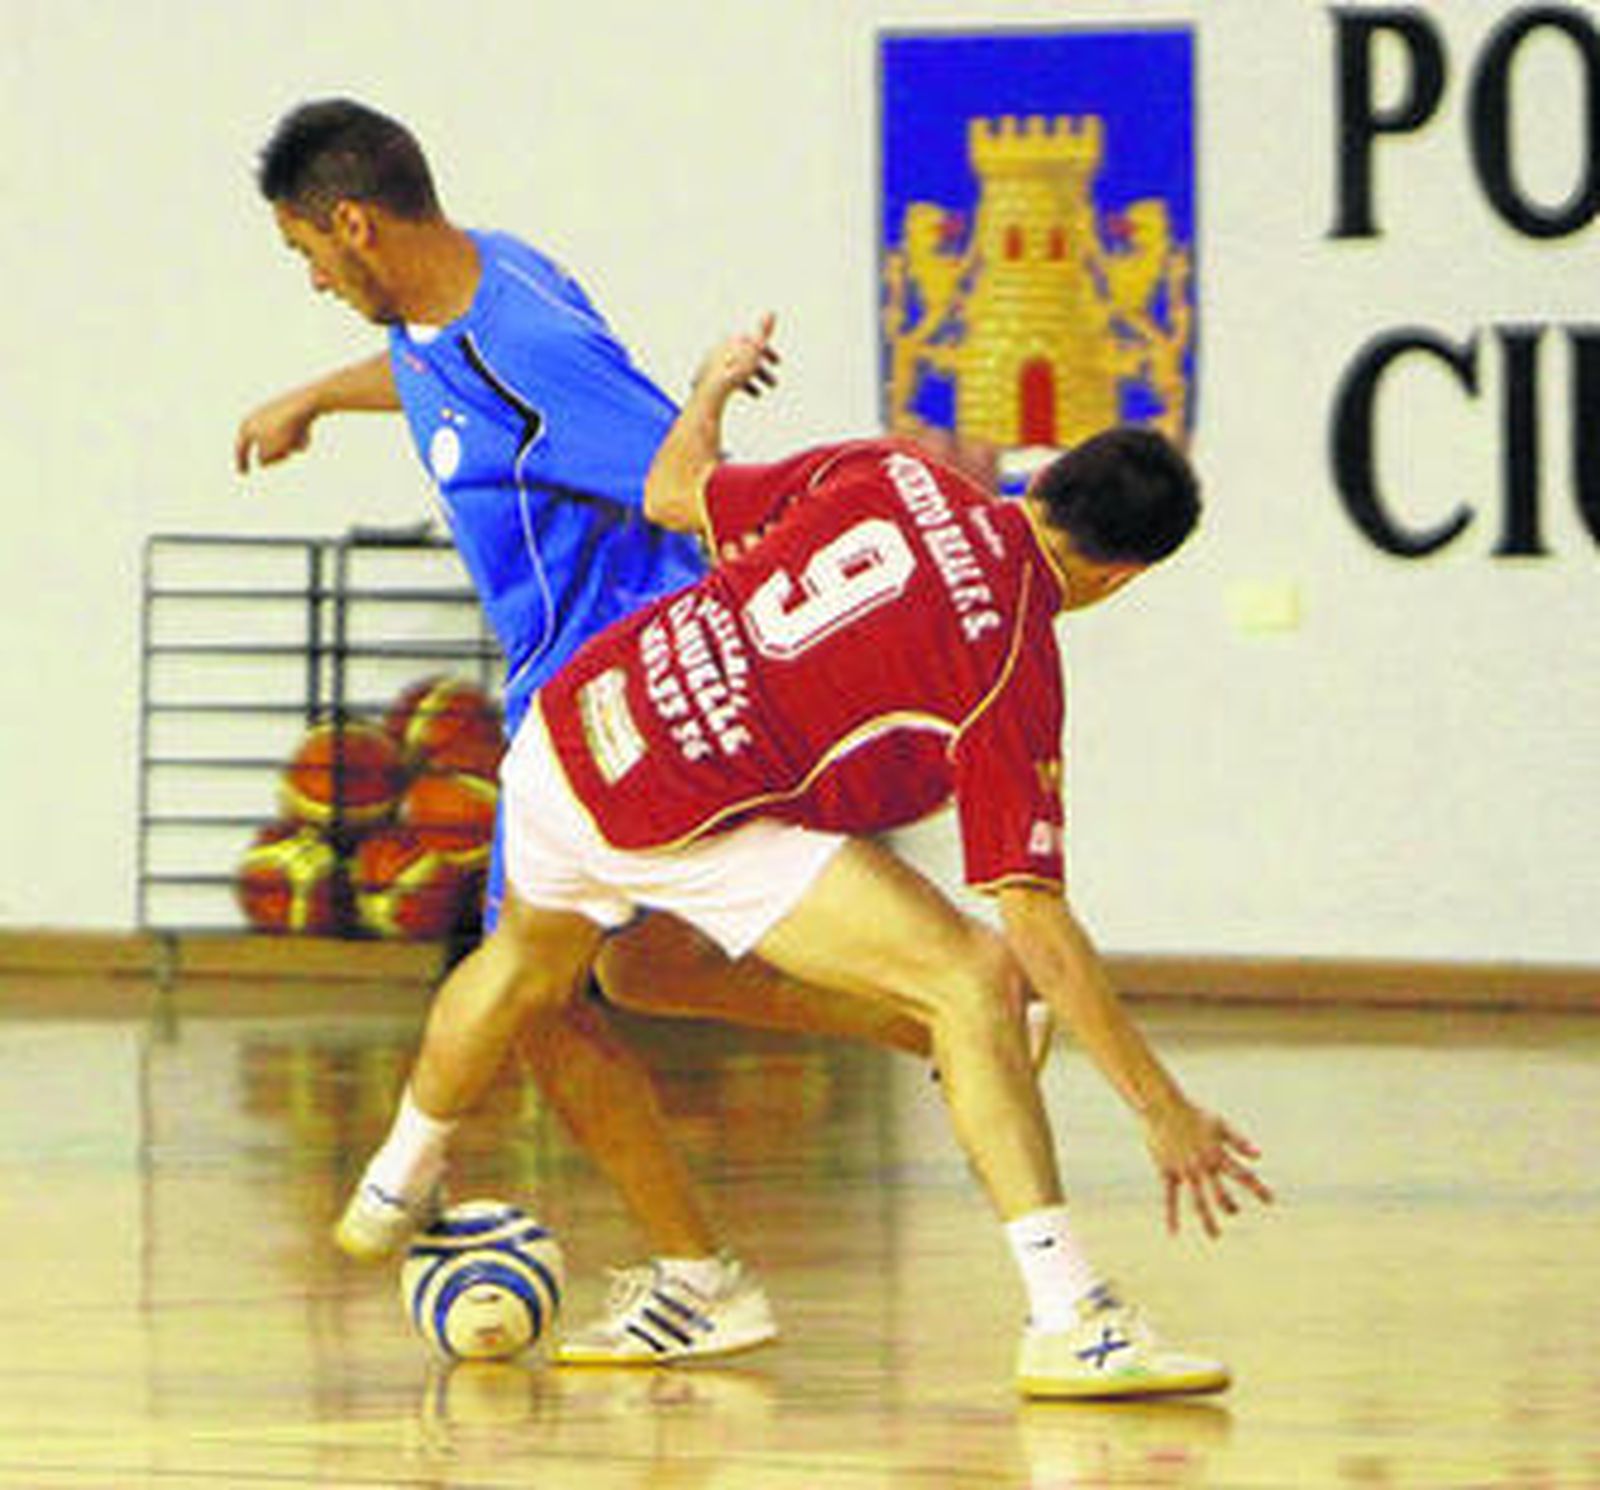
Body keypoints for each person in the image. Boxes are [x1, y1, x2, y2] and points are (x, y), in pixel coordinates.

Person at [335, 315, 1274, 1399]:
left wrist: (711, 389)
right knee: (976, 977)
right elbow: (1038, 921)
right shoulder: (1013, 656)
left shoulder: (888, 473)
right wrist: (1159, 1103)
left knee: (598, 970)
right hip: (670, 807)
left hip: (575, 721)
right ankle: (1072, 1316)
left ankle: (401, 1178)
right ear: (1120, 575)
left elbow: (675, 491)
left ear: (1046, 479)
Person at [234, 99, 973, 1353]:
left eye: (306, 248)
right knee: (638, 968)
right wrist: (314, 395)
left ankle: (437, 1194)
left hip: (611, 705)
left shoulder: (519, 345)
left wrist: (716, 413)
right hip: (586, 692)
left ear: (354, 223)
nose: (308, 275)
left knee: (531, 992)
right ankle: (943, 1027)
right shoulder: (479, 282)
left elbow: (682, 488)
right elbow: (422, 371)